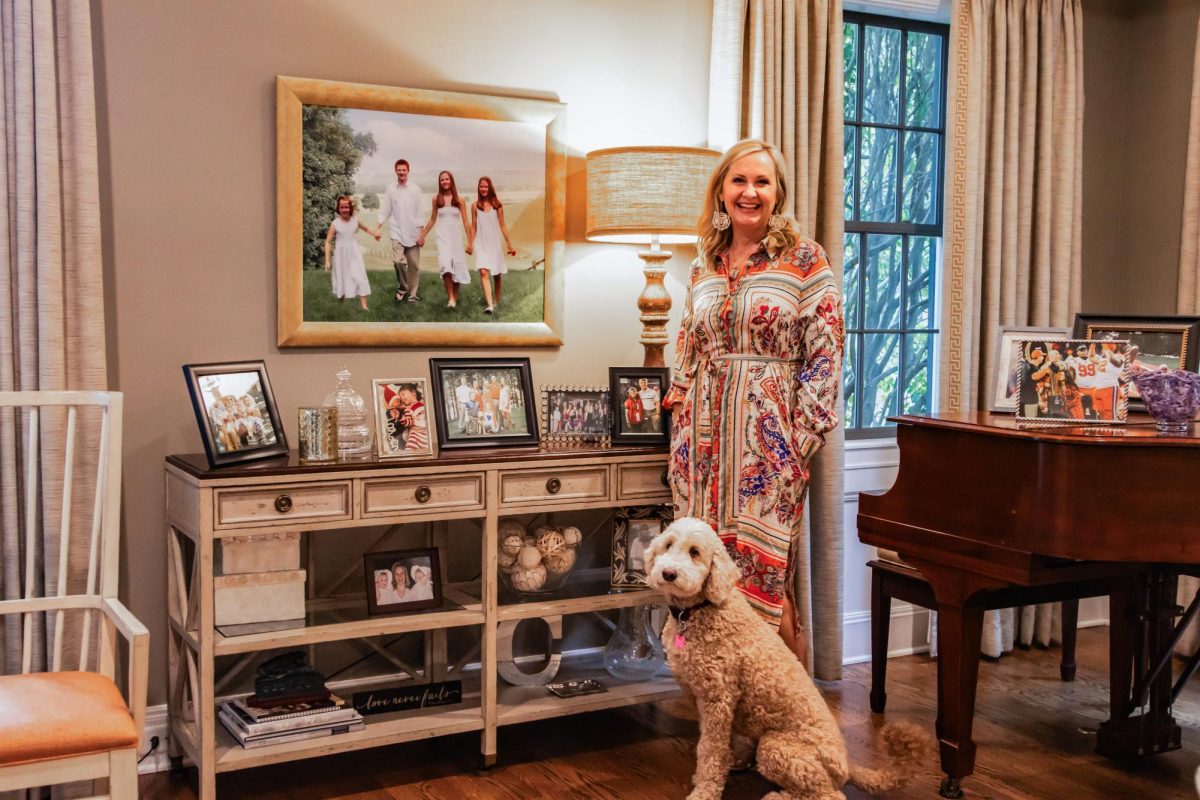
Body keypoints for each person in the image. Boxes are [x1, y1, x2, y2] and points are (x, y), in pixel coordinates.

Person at [664, 139, 843, 670]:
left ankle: (795, 720)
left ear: (777, 193)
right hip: (697, 454)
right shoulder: (704, 266)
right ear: (721, 191)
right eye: (739, 181)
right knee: (701, 585)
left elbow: (826, 352)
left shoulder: (806, 261)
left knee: (765, 580)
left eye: (761, 182)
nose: (750, 192)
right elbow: (687, 347)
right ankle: (728, 719)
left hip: (766, 454)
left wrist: (799, 441)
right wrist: (677, 420)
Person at [419, 170, 472, 309]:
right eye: (442, 180)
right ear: (440, 182)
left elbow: (466, 222)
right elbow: (432, 219)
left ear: (451, 181)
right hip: (442, 238)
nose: (444, 182)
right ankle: (450, 299)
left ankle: (455, 297)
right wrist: (422, 235)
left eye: (447, 179)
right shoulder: (436, 199)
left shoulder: (459, 200)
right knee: (445, 266)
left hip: (456, 239)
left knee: (457, 267)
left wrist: (470, 242)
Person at [377, 159, 425, 304]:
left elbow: (419, 214)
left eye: (404, 170)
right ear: (395, 171)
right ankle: (403, 287)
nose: (401, 172)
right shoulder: (391, 189)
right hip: (396, 231)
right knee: (398, 262)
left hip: (413, 233)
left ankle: (412, 296)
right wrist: (378, 227)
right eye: (399, 170)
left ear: (408, 171)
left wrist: (421, 235)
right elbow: (385, 209)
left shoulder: (415, 190)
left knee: (414, 266)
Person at [470, 177, 517, 314]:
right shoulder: (474, 206)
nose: (483, 189)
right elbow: (473, 227)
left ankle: (496, 301)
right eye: (481, 187)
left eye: (485, 186)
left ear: (490, 188)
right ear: (478, 188)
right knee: (484, 271)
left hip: (494, 243)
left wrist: (509, 243)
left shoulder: (497, 205)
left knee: (496, 274)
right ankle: (490, 305)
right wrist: (469, 243)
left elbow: (502, 226)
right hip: (481, 243)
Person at [396, 384, 429, 452]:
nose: (401, 398)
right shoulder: (408, 409)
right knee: (410, 452)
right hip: (415, 435)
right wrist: (400, 416)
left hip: (426, 435)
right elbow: (408, 423)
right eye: (400, 396)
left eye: (403, 394)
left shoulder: (424, 404)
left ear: (413, 392)